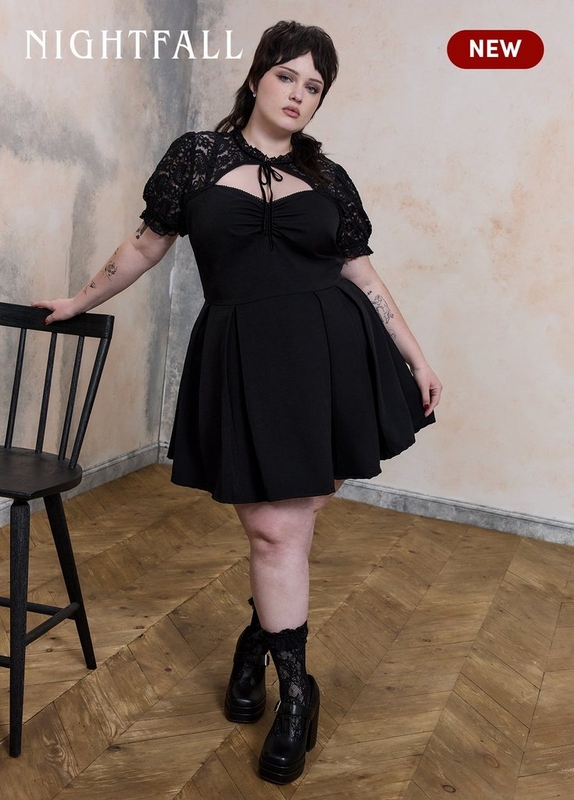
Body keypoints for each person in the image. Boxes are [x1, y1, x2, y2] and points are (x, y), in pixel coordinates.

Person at [34, 20, 442, 785]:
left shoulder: (328, 180)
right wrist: (80, 297)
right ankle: (284, 672)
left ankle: (285, 685)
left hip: (335, 354)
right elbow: (145, 245)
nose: (300, 95)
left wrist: (416, 355)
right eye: (289, 76)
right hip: (247, 356)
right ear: (257, 77)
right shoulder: (195, 157)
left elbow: (362, 275)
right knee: (273, 529)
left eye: (315, 87)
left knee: (288, 526)